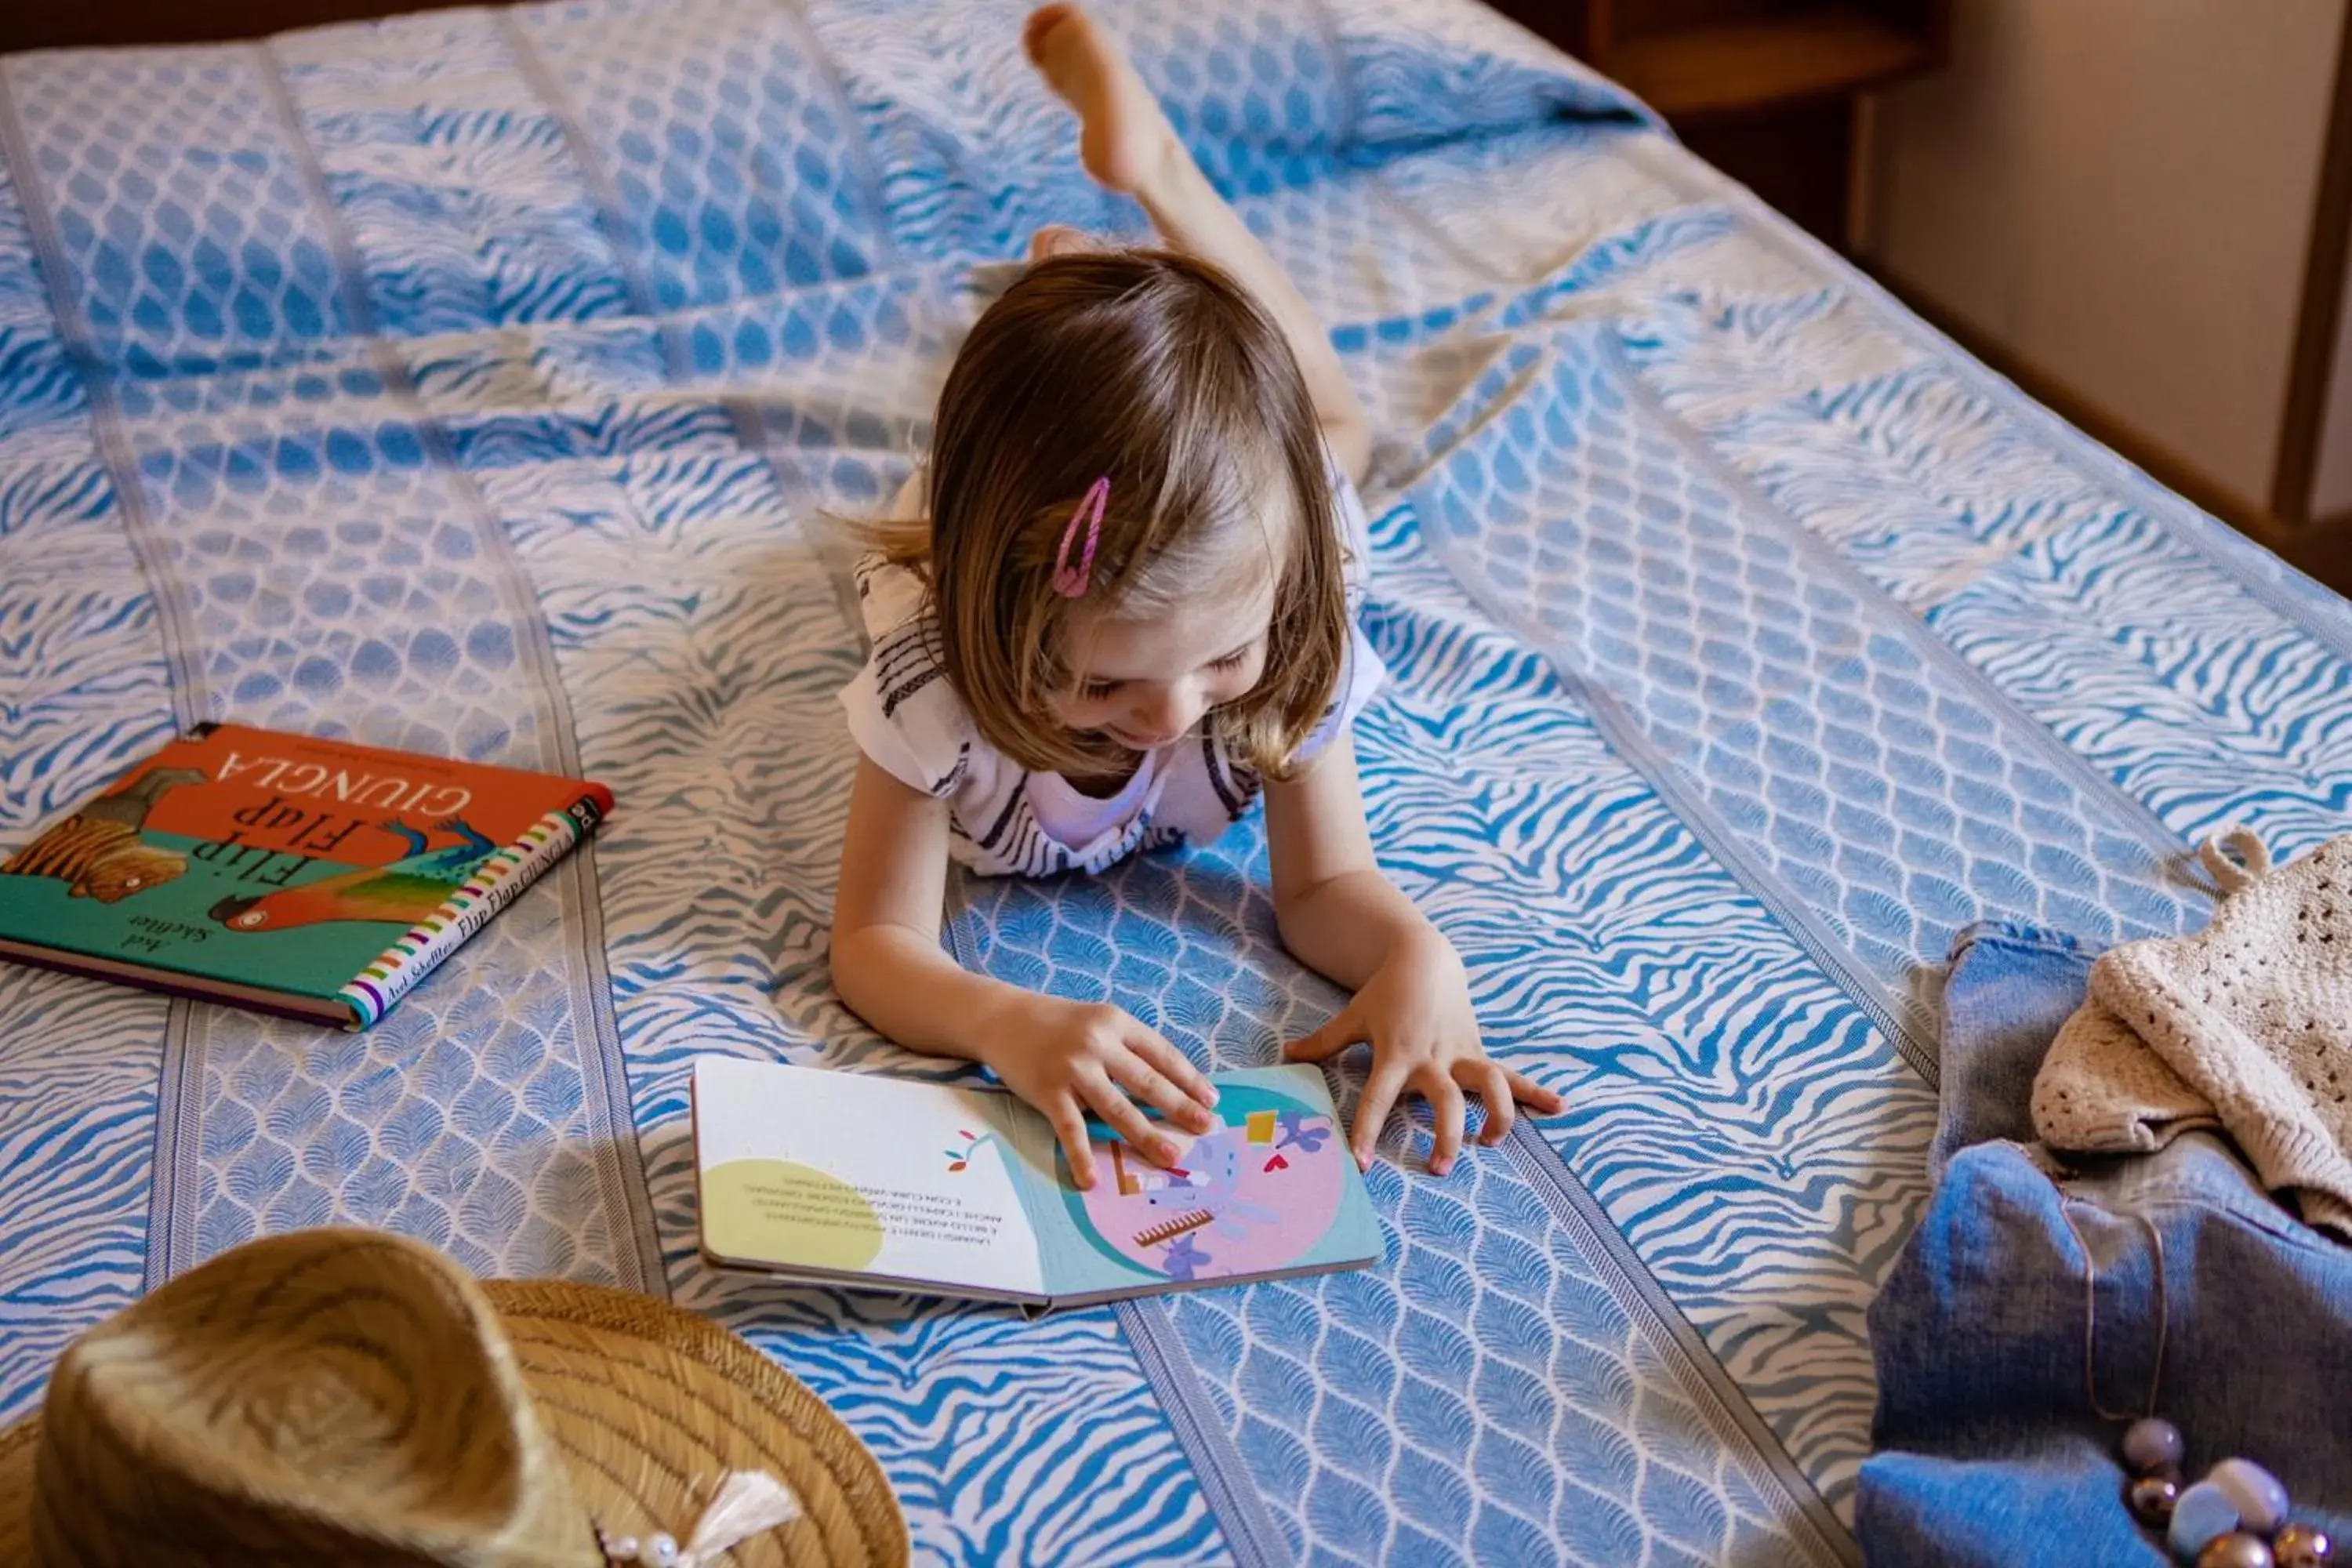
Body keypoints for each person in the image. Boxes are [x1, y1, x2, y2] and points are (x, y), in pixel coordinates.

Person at [830, 3, 1561, 1191]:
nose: (1174, 715)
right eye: (1103, 682)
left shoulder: (1280, 638)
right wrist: (1004, 1019)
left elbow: (1325, 891)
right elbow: (873, 945)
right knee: (1063, 450)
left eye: (1214, 663)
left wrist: (1416, 953)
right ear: (1003, 628)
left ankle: (1155, 182)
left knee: (1334, 433)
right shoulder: (940, 683)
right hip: (1003, 514)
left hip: (1244, 533)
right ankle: (1091, 291)